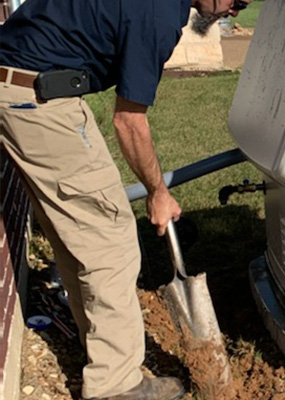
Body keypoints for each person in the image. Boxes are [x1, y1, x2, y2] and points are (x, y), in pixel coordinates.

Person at [0, 0, 246, 398]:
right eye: (238, 1)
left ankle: (98, 346)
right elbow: (129, 120)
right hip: (38, 101)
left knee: (76, 233)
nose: (235, 10)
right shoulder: (159, 16)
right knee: (111, 239)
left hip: (21, 86)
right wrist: (158, 193)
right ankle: (116, 384)